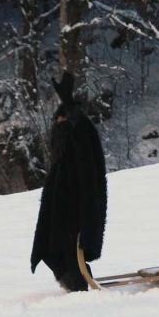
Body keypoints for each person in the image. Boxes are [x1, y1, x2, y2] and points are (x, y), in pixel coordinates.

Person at [31, 72, 107, 290]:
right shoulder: (68, 134)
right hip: (64, 203)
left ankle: (77, 283)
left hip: (74, 204)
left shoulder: (79, 132)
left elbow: (85, 172)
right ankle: (74, 279)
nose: (58, 122)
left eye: (61, 119)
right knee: (57, 247)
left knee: (69, 246)